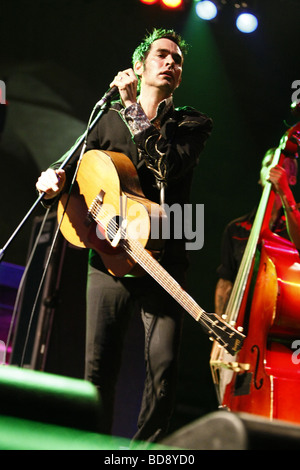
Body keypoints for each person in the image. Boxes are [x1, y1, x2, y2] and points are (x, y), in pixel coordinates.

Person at [36, 28, 213, 442]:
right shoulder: (107, 120)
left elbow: (165, 169)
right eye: (161, 55)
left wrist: (134, 106)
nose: (171, 62)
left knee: (163, 371)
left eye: (178, 60)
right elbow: (74, 177)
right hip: (109, 258)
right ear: (138, 67)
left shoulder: (190, 124)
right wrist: (53, 185)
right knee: (96, 371)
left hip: (163, 261)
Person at [215, 146, 300, 316]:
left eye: (281, 165)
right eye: (268, 163)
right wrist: (220, 332)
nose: (273, 168)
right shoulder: (236, 229)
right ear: (260, 176)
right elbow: (226, 281)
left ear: (292, 179)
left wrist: (285, 193)